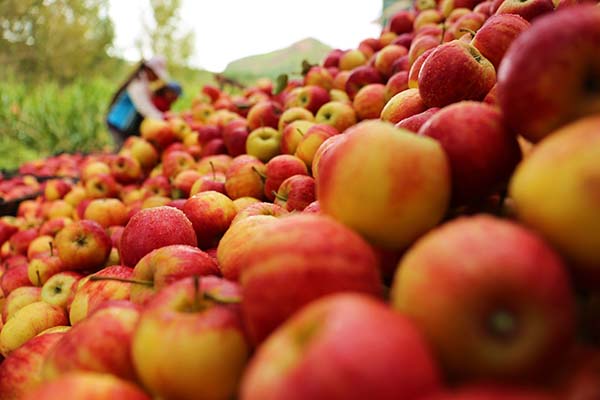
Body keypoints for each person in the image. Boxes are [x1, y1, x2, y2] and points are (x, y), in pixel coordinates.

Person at [105, 56, 170, 151]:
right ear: (148, 70)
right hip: (119, 124)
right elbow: (145, 108)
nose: (157, 78)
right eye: (156, 74)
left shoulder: (144, 84)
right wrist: (165, 120)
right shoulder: (137, 85)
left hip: (126, 126)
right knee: (122, 151)